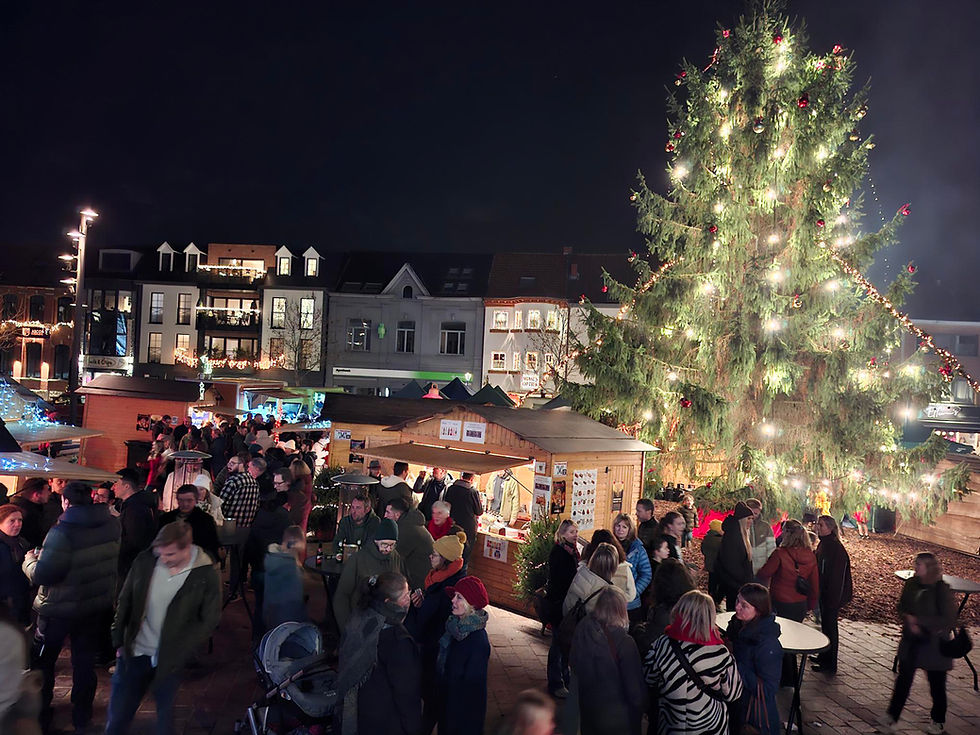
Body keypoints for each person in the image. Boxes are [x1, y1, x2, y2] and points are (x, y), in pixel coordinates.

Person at [22, 481, 120, 734]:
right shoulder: (112, 524)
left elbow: (44, 574)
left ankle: (41, 714)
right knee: (84, 662)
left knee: (43, 661)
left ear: (65, 502)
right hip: (94, 605)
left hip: (58, 609)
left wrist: (30, 561)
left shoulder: (62, 531)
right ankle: (81, 714)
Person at [105, 521, 221, 735]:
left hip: (169, 659)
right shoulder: (145, 561)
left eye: (170, 554)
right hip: (134, 652)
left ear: (187, 548)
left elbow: (209, 618)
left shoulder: (204, 575)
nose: (163, 559)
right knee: (118, 717)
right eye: (161, 553)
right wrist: (118, 640)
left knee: (165, 720)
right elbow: (125, 600)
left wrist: (185, 647)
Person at [643, 590, 742, 734]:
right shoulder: (720, 653)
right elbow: (733, 694)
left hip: (670, 724)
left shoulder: (662, 644)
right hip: (709, 725)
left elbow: (649, 678)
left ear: (679, 611)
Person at [336, 571, 421, 735]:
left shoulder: (361, 615)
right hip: (385, 721)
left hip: (358, 712)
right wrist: (413, 728)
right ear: (389, 602)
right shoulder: (398, 640)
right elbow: (407, 695)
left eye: (408, 592)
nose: (409, 598)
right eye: (405, 595)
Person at [880, 552, 956, 735]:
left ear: (929, 567)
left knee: (937, 683)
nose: (916, 567)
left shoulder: (941, 589)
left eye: (919, 565)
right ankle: (892, 715)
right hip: (912, 641)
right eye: (916, 564)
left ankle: (938, 720)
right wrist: (907, 618)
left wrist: (919, 621)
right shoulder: (911, 584)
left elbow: (949, 618)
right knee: (904, 679)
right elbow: (902, 606)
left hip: (934, 645)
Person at [406, 531, 467, 734]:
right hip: (438, 651)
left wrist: (416, 607)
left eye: (434, 554)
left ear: (446, 559)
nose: (430, 556)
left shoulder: (444, 589)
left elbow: (423, 626)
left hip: (436, 653)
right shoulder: (443, 578)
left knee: (432, 699)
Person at [569, 587, 645, 735]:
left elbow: (573, 662)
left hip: (588, 711)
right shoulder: (625, 642)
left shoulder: (583, 627)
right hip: (617, 720)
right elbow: (635, 691)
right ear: (622, 609)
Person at [437, 575, 491, 735]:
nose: (453, 600)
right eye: (454, 596)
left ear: (471, 605)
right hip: (448, 709)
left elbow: (474, 696)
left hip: (460, 721)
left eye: (459, 597)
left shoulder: (478, 642)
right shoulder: (455, 628)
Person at [725, 583, 782, 735]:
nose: (737, 607)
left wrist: (734, 662)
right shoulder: (737, 627)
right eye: (737, 601)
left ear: (758, 610)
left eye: (744, 605)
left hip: (754, 716)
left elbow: (768, 689)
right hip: (736, 704)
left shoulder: (767, 643)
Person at [334, 518, 407, 628]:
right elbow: (342, 595)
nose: (388, 549)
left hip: (388, 621)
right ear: (376, 541)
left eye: (392, 545)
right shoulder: (358, 559)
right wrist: (346, 627)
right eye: (384, 544)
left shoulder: (395, 557)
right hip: (361, 620)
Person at [812, 514, 852, 674]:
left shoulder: (835, 548)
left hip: (832, 595)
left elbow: (837, 576)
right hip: (824, 592)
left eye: (821, 525)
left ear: (830, 528)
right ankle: (824, 656)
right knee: (825, 626)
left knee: (830, 628)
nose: (817, 527)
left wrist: (832, 598)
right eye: (817, 524)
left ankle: (830, 663)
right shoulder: (824, 544)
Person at [757, 519, 818, 622]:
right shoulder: (811, 556)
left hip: (779, 602)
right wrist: (810, 605)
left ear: (788, 533)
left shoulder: (780, 553)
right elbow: (815, 584)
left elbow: (765, 573)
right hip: (800, 603)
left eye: (783, 530)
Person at [544, 519, 579, 698]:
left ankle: (566, 678)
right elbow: (562, 580)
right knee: (558, 644)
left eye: (576, 531)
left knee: (564, 644)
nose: (575, 535)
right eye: (572, 532)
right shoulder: (559, 553)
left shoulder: (571, 551)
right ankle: (556, 682)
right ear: (564, 533)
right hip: (559, 604)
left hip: (566, 603)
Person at [114, 468, 159, 585]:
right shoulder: (138, 504)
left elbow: (134, 541)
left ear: (127, 486)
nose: (112, 487)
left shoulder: (135, 509)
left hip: (131, 566)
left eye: (116, 483)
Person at [563, 543, 633, 617]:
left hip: (568, 621)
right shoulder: (607, 593)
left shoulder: (581, 573)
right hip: (586, 627)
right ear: (614, 566)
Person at [158, 484, 221, 564]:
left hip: (197, 562)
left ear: (196, 500)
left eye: (189, 500)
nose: (185, 504)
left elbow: (212, 545)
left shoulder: (205, 520)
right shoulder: (166, 519)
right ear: (177, 500)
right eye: (181, 500)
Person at [261, 525, 308, 632]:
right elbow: (294, 597)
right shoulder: (289, 567)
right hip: (286, 617)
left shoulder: (273, 558)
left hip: (271, 613)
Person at [385, 497, 435, 591]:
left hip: (419, 582)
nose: (385, 515)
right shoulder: (408, 523)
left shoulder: (407, 530)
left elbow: (392, 557)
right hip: (419, 576)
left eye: (388, 512)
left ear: (397, 515)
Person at [612, 513, 652, 622]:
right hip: (610, 601)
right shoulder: (608, 546)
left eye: (624, 527)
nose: (620, 529)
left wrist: (634, 593)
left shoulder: (638, 549)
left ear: (630, 529)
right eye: (618, 526)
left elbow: (646, 574)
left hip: (631, 604)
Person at [715, 501, 754, 610]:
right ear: (742, 520)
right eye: (749, 519)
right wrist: (744, 580)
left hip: (738, 582)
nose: (751, 521)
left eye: (752, 519)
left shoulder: (741, 534)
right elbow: (731, 563)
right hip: (734, 583)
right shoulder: (733, 536)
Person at [580, 530, 636, 601]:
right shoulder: (624, 568)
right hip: (615, 609)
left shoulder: (585, 568)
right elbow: (631, 595)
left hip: (590, 609)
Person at [0, 505, 31, 624]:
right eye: (12, 521)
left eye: (20, 520)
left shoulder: (22, 543)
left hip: (20, 599)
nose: (18, 524)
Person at [217, 453, 260, 527]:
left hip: (230, 526)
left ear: (241, 465)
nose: (228, 465)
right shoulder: (255, 482)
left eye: (232, 463)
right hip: (246, 527)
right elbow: (257, 506)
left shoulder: (232, 481)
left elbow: (221, 504)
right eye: (229, 463)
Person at [443, 472, 483, 551]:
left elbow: (445, 504)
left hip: (452, 524)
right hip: (468, 527)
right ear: (472, 479)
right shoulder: (472, 492)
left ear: (462, 476)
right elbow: (479, 511)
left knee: (451, 551)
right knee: (465, 552)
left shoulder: (451, 488)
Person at [10, 477, 51, 549]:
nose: (49, 493)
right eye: (47, 490)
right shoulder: (25, 513)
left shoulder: (35, 508)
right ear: (37, 495)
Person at [745, 498, 776, 576]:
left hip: (761, 570)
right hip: (744, 570)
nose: (753, 516)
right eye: (751, 513)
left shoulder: (765, 527)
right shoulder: (740, 526)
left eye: (756, 513)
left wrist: (768, 569)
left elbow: (771, 549)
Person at [701, 519, 724, 607]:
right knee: (718, 582)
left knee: (712, 582)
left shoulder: (707, 538)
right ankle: (715, 601)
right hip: (717, 565)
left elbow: (703, 550)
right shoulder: (719, 540)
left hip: (709, 564)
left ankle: (710, 596)